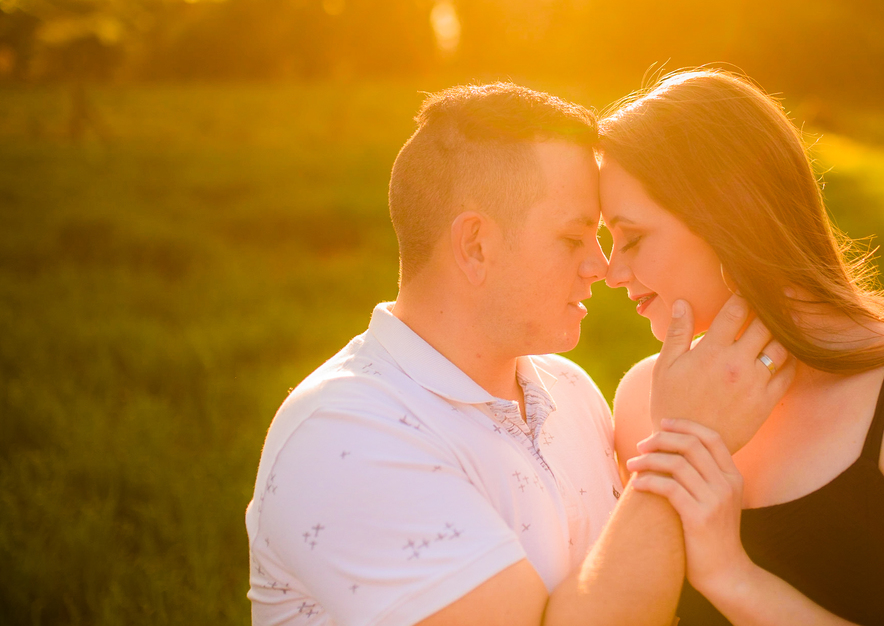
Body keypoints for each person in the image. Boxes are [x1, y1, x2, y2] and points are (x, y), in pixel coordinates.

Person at [245, 82, 793, 626]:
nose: (601, 267)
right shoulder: (348, 437)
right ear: (475, 246)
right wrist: (688, 440)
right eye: (573, 238)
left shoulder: (568, 389)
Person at [600, 70, 884, 626]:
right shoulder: (643, 402)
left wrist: (733, 577)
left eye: (631, 237)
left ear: (729, 218)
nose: (612, 271)